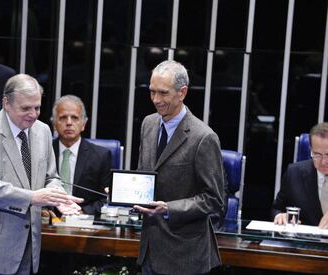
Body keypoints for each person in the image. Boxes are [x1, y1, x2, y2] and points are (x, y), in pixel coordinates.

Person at [0, 74, 83, 275]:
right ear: (6, 103)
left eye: (37, 107)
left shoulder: (43, 131)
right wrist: (32, 197)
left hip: (27, 249)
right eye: (25, 108)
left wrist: (57, 197)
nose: (33, 114)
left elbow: (51, 177)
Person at [133, 60, 225, 275]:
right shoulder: (148, 123)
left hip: (185, 256)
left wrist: (169, 209)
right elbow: (145, 174)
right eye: (152, 92)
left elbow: (213, 199)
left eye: (163, 93)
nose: (156, 100)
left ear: (182, 92)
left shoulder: (204, 137)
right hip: (149, 251)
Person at [51, 95, 111, 215]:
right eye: (63, 118)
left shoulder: (100, 156)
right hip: (49, 220)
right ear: (54, 124)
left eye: (74, 118)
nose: (69, 123)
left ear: (83, 123)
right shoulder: (45, 151)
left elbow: (106, 198)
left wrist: (82, 212)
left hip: (83, 221)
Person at [272, 122, 328, 229]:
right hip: (304, 243)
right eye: (317, 154)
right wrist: (280, 216)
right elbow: (276, 209)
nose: (323, 161)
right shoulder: (294, 173)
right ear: (311, 150)